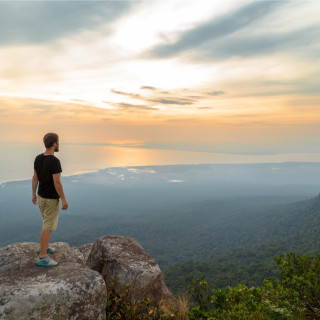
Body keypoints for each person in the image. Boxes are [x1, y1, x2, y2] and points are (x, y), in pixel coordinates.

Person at [32, 133, 68, 266]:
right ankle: (42, 257)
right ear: (54, 143)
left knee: (46, 223)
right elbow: (57, 183)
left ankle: (44, 247)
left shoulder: (38, 158)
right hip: (50, 199)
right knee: (47, 226)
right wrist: (64, 199)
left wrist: (33, 194)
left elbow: (35, 178)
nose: (58, 144)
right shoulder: (54, 161)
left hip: (41, 197)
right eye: (58, 142)